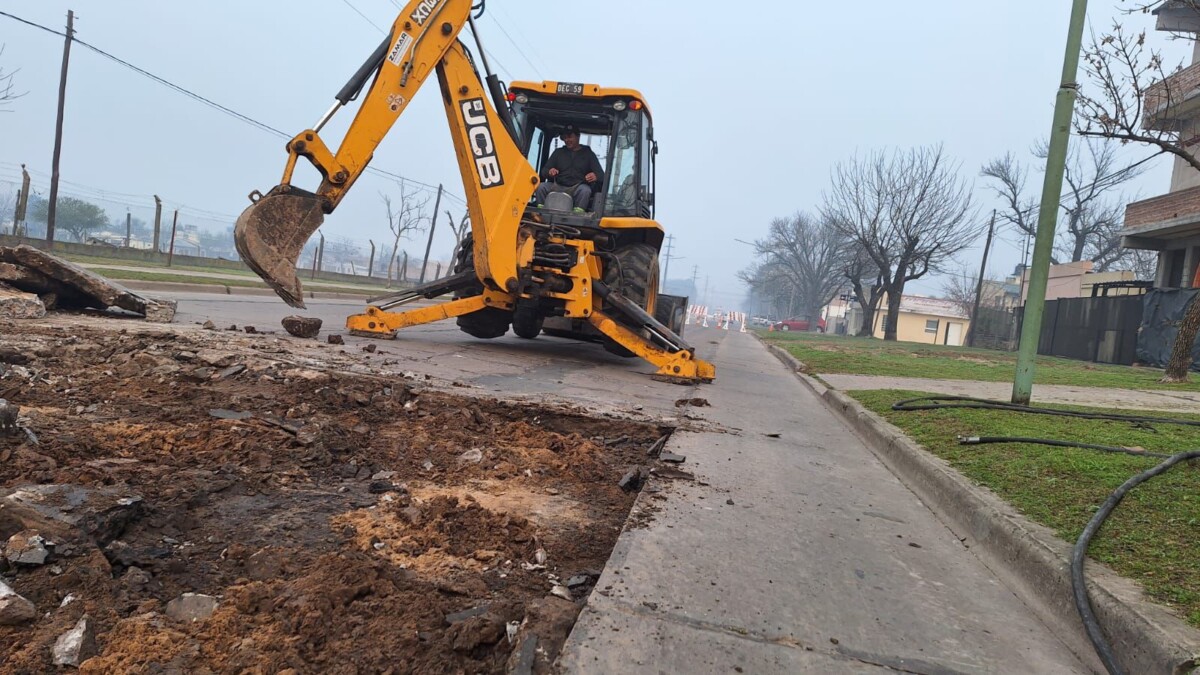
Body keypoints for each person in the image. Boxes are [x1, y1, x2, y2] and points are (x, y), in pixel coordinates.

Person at [535, 124, 604, 212]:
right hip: (557, 186)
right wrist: (550, 172)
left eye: (570, 137)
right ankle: (540, 212)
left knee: (585, 190)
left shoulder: (588, 154)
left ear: (578, 136)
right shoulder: (558, 152)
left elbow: (601, 175)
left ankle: (577, 214)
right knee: (541, 187)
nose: (567, 140)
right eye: (565, 138)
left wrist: (595, 176)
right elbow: (544, 171)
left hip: (577, 188)